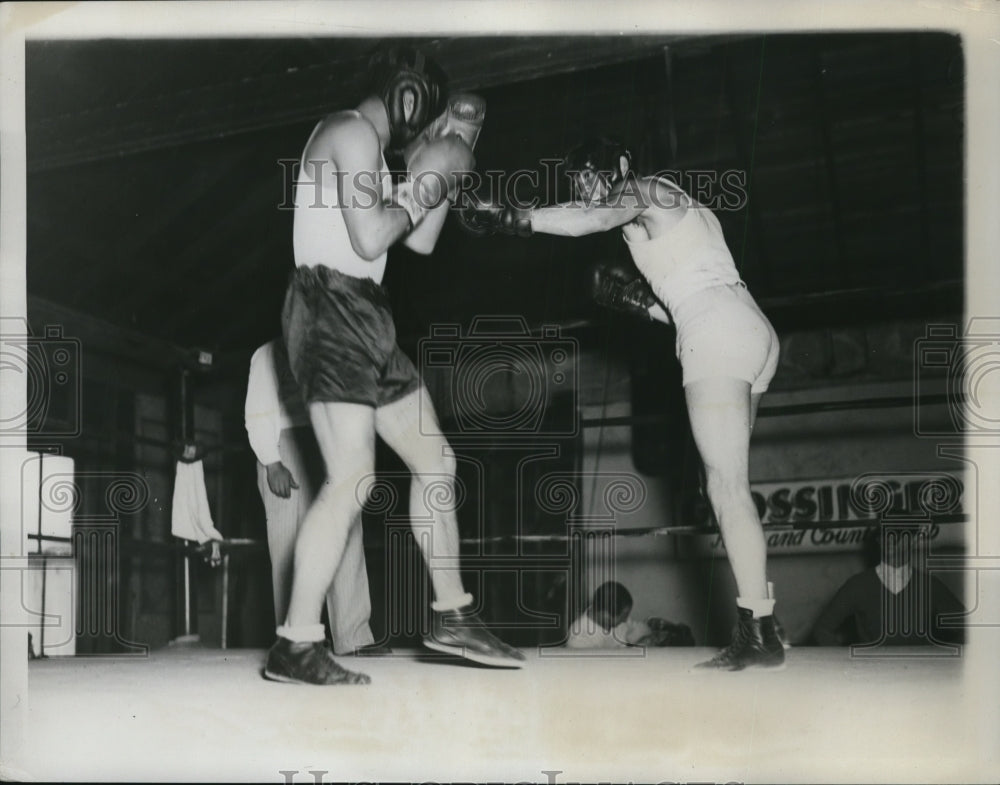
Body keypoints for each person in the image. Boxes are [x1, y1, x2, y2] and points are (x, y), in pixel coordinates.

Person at [461, 138, 783, 670]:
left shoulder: (644, 189)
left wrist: (514, 219)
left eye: (593, 172)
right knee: (724, 485)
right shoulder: (673, 214)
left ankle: (759, 633)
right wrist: (640, 306)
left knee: (726, 488)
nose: (588, 186)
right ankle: (764, 617)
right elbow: (690, 291)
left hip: (718, 332)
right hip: (751, 330)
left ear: (624, 165)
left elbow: (585, 222)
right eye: (579, 179)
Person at [264, 45, 524, 685]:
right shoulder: (347, 130)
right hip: (329, 304)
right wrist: (429, 172)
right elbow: (372, 236)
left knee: (436, 460)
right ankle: (296, 642)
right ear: (411, 95)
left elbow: (423, 241)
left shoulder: (377, 157)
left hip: (368, 312)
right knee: (352, 478)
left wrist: (446, 168)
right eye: (436, 113)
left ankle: (453, 614)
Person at [245, 339, 387, 656]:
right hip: (285, 443)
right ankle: (297, 640)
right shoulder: (269, 351)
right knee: (288, 545)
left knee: (346, 533)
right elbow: (258, 408)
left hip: (328, 442)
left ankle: (354, 637)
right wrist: (271, 461)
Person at [811, 528, 965, 646]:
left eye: (898, 532)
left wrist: (941, 661)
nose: (890, 539)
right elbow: (822, 629)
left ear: (912, 540)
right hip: (874, 680)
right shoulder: (858, 585)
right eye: (885, 532)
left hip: (920, 680)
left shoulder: (929, 585)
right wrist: (848, 664)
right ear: (879, 540)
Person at [566, 581, 694, 649]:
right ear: (605, 615)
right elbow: (600, 675)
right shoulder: (579, 639)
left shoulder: (615, 619)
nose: (626, 619)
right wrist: (635, 648)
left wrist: (651, 632)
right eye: (623, 616)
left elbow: (634, 629)